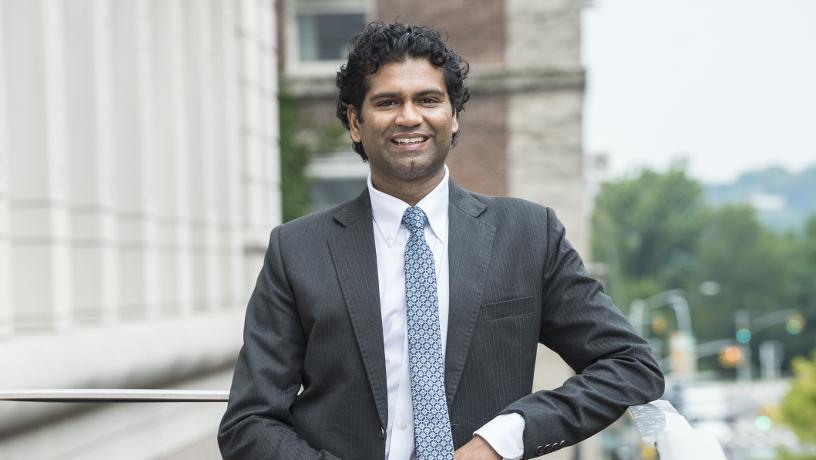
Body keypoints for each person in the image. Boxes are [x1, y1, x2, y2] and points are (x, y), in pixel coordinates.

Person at [218, 22, 664, 460]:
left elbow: (629, 364)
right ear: (356, 122)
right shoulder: (297, 251)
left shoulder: (529, 234)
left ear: (453, 117)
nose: (409, 116)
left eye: (428, 100)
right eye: (388, 101)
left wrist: (505, 437)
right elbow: (249, 422)